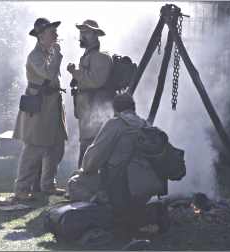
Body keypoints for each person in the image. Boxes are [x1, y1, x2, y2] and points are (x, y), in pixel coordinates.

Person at [67, 93, 164, 218]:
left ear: (115, 109)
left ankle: (106, 206)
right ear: (133, 108)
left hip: (121, 188)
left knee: (74, 182)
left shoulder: (116, 124)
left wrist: (85, 170)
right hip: (145, 191)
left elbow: (90, 162)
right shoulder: (146, 125)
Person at [12, 18, 68, 201]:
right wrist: (58, 55)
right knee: (34, 148)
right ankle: (21, 188)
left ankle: (47, 185)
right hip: (39, 107)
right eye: (52, 33)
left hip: (52, 106)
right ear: (41, 36)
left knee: (56, 146)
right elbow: (49, 73)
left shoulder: (48, 53)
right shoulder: (34, 56)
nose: (56, 35)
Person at [67, 19, 113, 169]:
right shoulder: (88, 56)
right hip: (87, 109)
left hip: (95, 110)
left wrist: (75, 73)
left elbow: (95, 82)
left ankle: (83, 184)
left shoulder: (100, 57)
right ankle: (82, 184)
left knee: (89, 147)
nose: (82, 35)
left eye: (86, 32)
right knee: (86, 145)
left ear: (95, 35)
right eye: (81, 32)